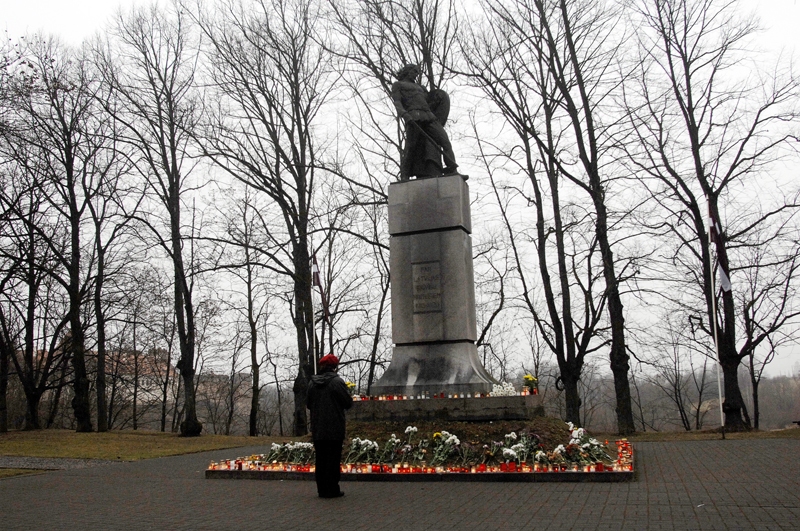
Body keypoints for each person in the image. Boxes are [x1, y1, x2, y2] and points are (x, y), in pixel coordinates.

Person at [391, 64, 458, 179]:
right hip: (414, 116)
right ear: (407, 71)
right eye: (414, 71)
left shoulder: (421, 88)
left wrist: (438, 100)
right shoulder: (398, 85)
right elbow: (397, 102)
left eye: (417, 72)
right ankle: (405, 175)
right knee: (411, 147)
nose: (416, 74)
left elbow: (426, 102)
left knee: (445, 141)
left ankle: (452, 169)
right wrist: (405, 116)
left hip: (429, 116)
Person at [307, 353, 353, 498]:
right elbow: (348, 402)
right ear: (334, 367)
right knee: (333, 459)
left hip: (318, 427)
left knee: (320, 459)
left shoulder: (312, 383)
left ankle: (322, 489)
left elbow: (308, 404)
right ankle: (332, 489)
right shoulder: (337, 382)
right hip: (335, 427)